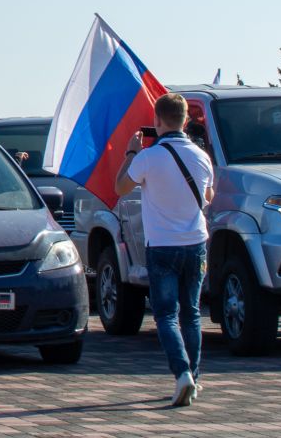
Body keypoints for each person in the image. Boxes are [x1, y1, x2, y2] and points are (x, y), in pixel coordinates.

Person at [118, 93, 215, 408]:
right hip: (196, 243)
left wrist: (132, 152)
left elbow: (120, 186)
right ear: (186, 120)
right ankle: (194, 379)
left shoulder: (149, 157)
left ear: (157, 121)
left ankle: (182, 373)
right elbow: (209, 196)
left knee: (165, 315)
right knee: (192, 314)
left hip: (162, 245)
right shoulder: (202, 157)